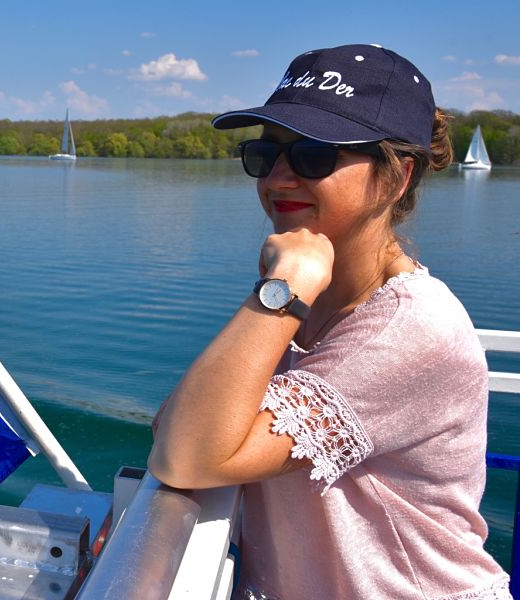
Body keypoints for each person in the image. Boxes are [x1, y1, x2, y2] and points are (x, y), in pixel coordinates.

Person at [147, 44, 511, 599]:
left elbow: (187, 454)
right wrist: (286, 292)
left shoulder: (409, 329)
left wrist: (282, 288)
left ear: (396, 178)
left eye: (315, 156)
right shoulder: (313, 297)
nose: (280, 179)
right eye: (264, 156)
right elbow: (177, 424)